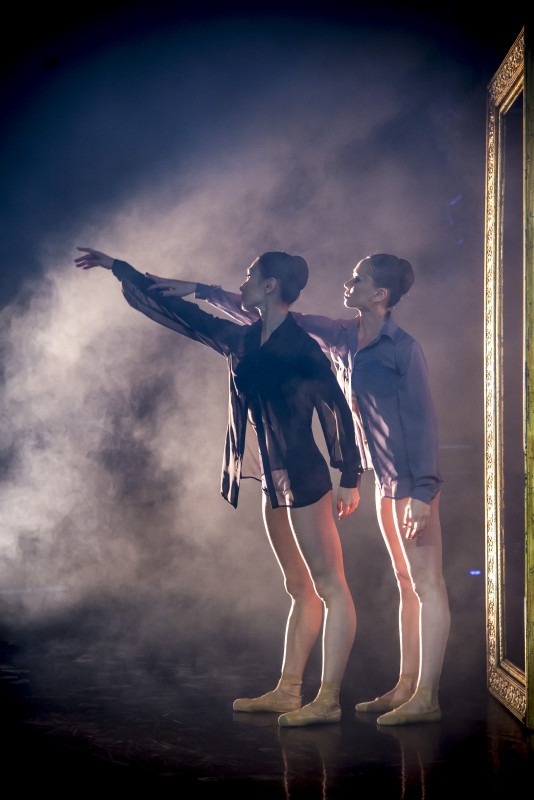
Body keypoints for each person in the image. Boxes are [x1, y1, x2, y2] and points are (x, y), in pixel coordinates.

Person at [75, 247, 363, 727]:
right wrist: (118, 268)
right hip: (273, 478)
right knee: (298, 587)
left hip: (306, 477)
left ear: (270, 285)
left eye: (250, 275)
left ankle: (329, 699)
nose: (243, 282)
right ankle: (289, 690)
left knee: (330, 585)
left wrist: (350, 476)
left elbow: (338, 410)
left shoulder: (303, 347)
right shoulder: (243, 339)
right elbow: (182, 315)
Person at [184, 253, 450, 725]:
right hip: (383, 478)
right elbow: (274, 315)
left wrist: (424, 492)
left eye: (358, 279)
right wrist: (202, 292)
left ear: (380, 295)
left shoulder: (403, 349)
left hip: (411, 480)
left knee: (428, 583)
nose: (348, 283)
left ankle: (427, 696)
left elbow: (423, 422)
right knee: (406, 582)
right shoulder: (344, 335)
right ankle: (407, 685)